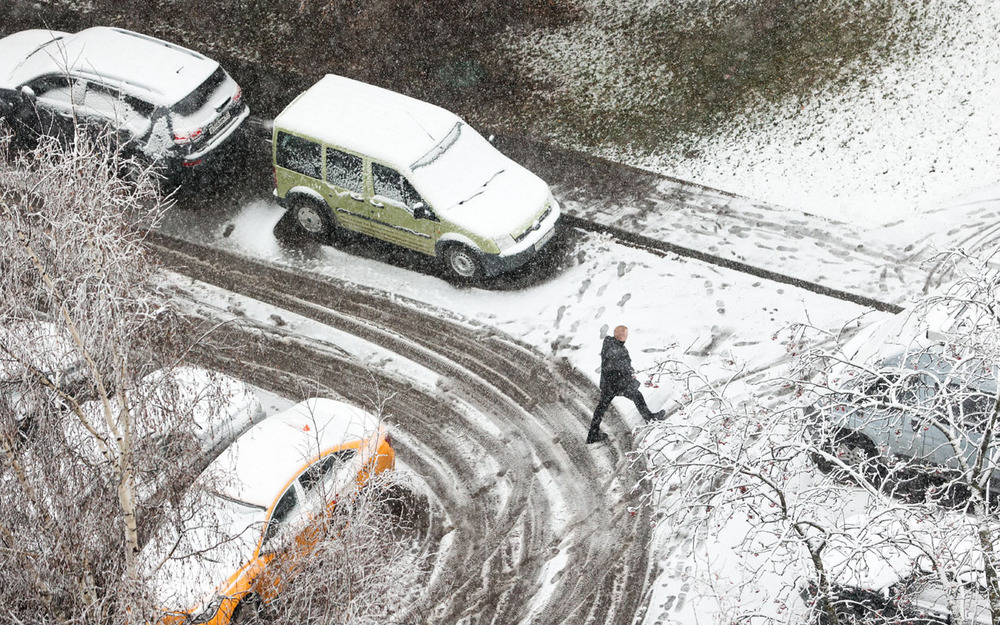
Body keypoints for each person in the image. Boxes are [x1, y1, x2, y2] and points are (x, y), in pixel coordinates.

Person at [587, 325, 665, 444]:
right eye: (625, 334)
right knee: (637, 396)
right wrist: (629, 373)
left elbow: (617, 364)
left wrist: (628, 370)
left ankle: (593, 434)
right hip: (616, 383)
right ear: (621, 336)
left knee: (601, 407)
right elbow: (618, 366)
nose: (626, 336)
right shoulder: (618, 350)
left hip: (609, 382)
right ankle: (649, 418)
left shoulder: (609, 342)